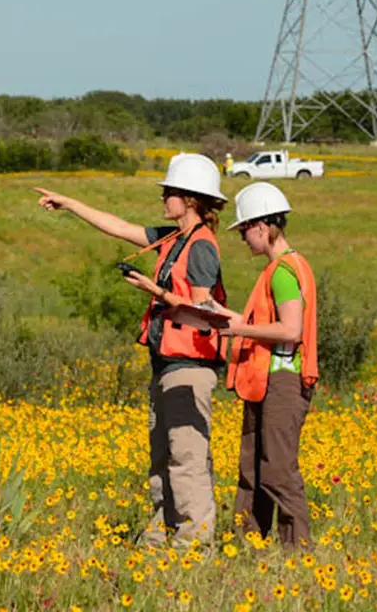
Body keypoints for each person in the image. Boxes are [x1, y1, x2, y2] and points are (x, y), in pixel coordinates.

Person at [35, 153, 229, 546]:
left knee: (187, 458)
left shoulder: (202, 247)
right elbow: (118, 227)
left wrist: (154, 291)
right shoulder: (173, 238)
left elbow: (205, 312)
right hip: (167, 363)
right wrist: (70, 204)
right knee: (163, 457)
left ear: (190, 199)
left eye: (169, 191)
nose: (163, 198)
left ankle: (193, 545)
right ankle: (163, 535)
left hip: (189, 364)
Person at [213, 182, 318, 548]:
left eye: (244, 230)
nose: (243, 238)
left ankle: (298, 551)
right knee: (251, 468)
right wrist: (226, 317)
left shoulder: (284, 271)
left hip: (282, 381)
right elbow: (271, 323)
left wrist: (238, 328)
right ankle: (248, 545)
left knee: (276, 471)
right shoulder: (286, 267)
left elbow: (290, 328)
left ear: (261, 225)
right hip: (265, 381)